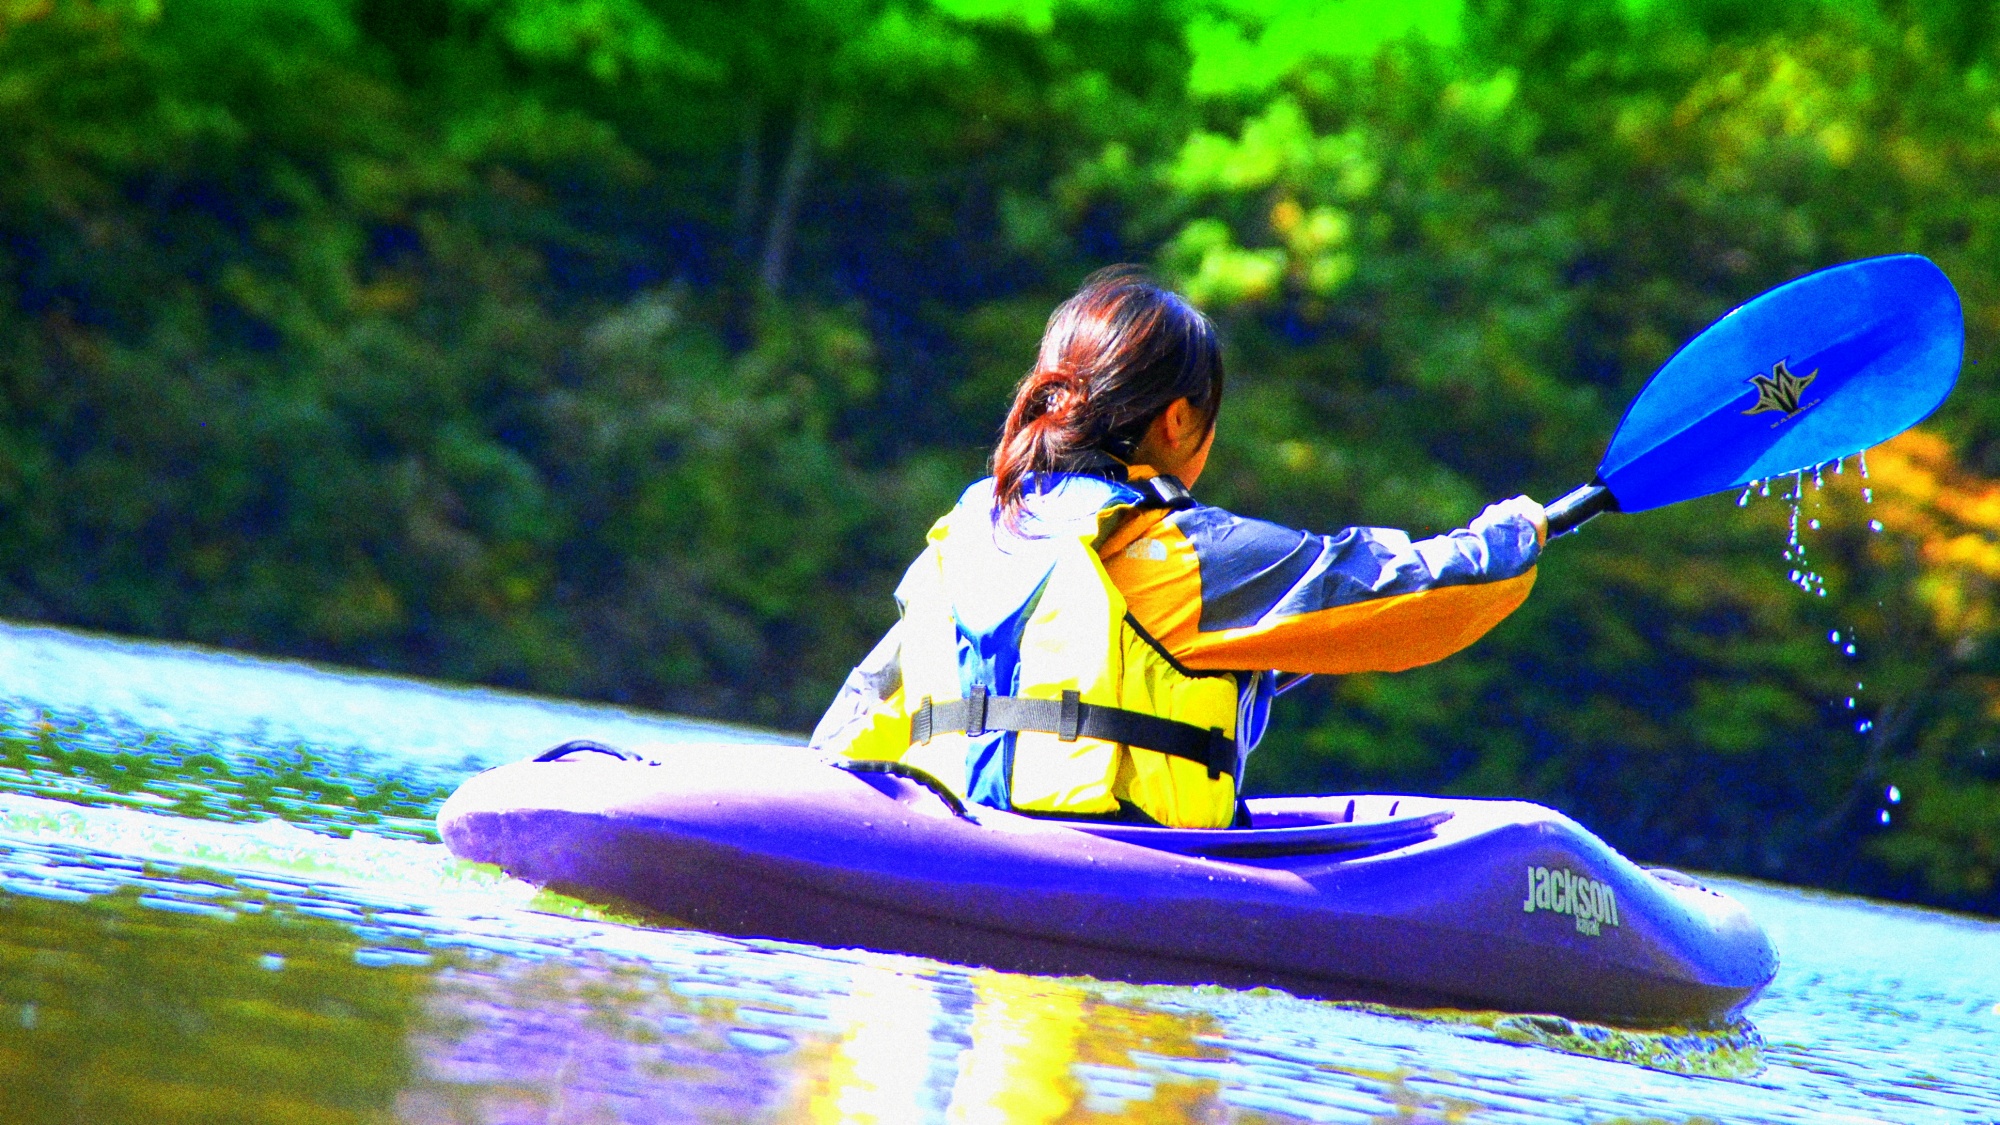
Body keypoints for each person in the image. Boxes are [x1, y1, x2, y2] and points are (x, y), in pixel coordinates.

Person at [811, 266, 1546, 829]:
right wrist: (1511, 537)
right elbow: (1397, 587)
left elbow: (855, 720)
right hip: (1114, 871)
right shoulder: (1180, 553)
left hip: (948, 850)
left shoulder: (967, 540)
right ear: (1179, 419)